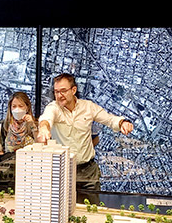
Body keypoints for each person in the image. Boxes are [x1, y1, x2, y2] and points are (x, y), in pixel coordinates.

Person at [37, 73, 134, 205]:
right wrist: (44, 128)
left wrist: (123, 123)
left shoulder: (88, 107)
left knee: (91, 209)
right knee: (60, 209)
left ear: (73, 90)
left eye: (63, 91)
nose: (59, 95)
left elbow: (109, 119)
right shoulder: (53, 107)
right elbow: (46, 118)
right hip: (62, 171)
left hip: (88, 172)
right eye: (56, 92)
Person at [0, 92, 38, 189]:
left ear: (27, 107)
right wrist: (4, 157)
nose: (17, 109)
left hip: (29, 175)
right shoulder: (4, 126)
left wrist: (32, 125)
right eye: (14, 106)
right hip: (8, 176)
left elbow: (41, 145)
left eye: (21, 106)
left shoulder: (35, 125)